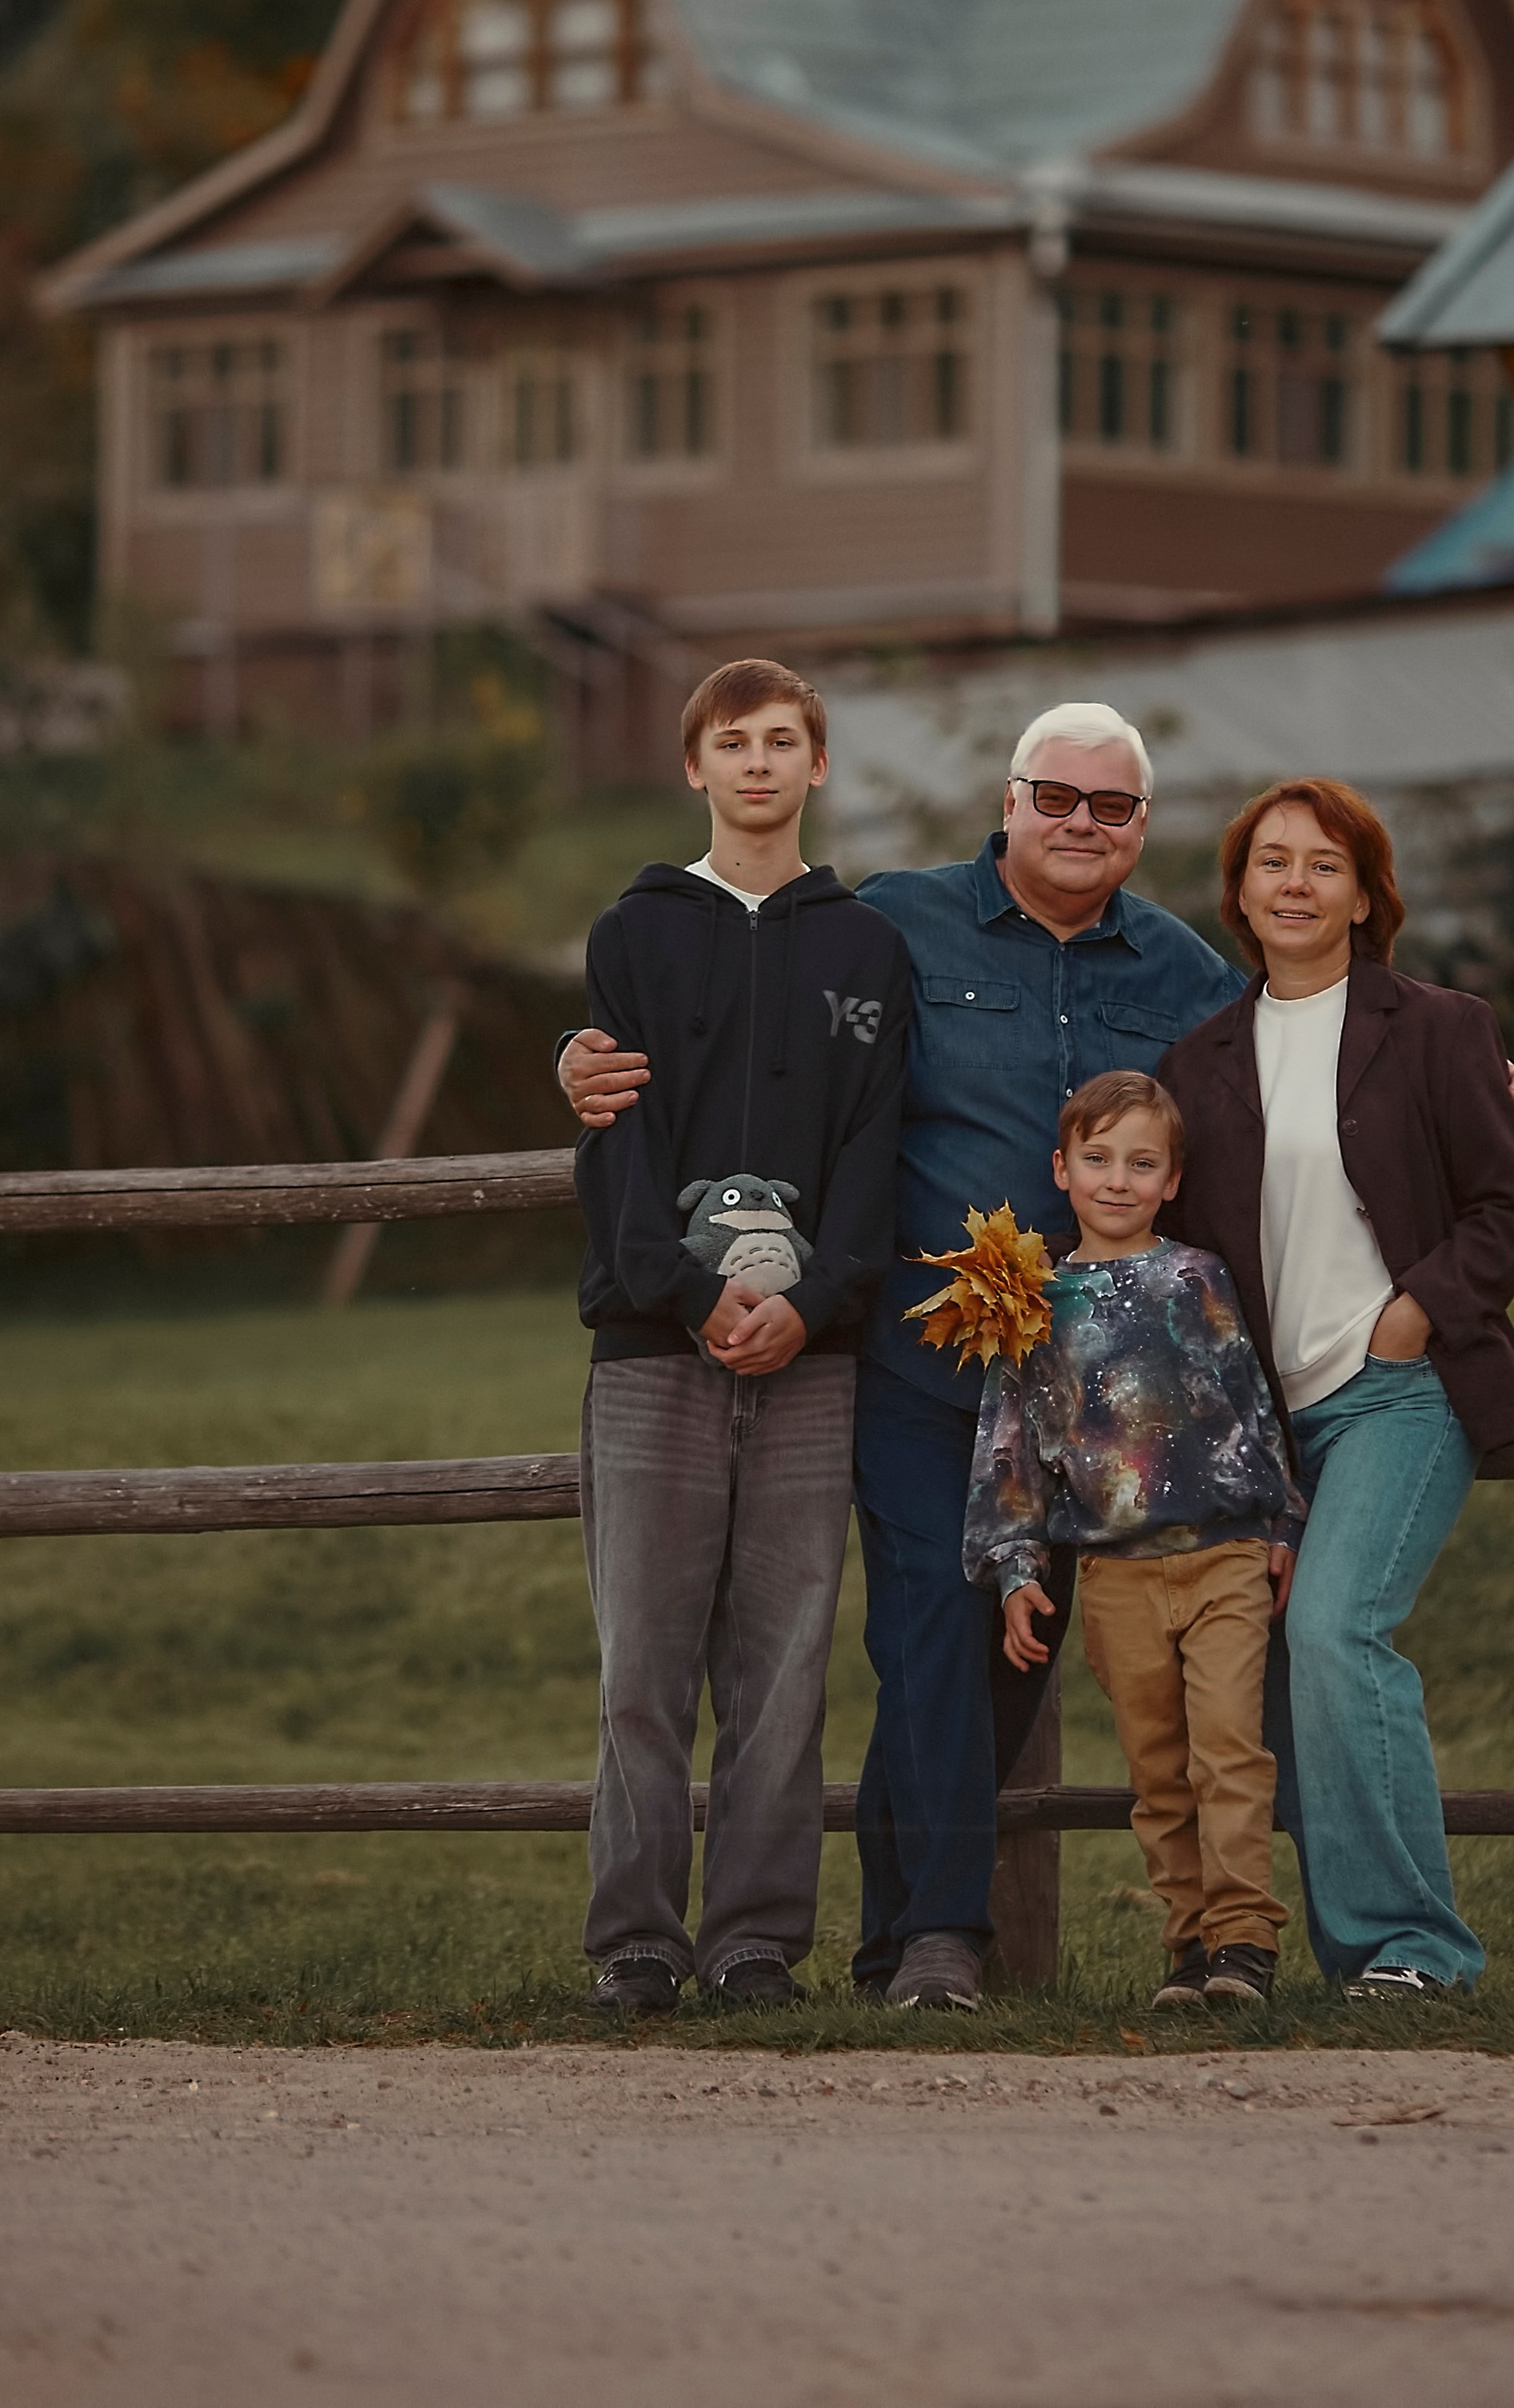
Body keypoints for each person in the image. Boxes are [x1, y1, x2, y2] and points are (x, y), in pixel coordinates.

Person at [557, 708, 1514, 2013]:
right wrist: (577, 1054)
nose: (1082, 822)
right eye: (1056, 796)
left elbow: (1315, 1035)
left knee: (1036, 1665)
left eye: (1112, 806)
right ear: (1009, 801)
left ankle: (1197, 1939)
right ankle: (933, 1941)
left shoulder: (1183, 970)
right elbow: (746, 1007)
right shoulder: (896, 922)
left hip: (1111, 1390)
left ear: (1141, 827)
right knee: (932, 1633)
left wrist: (1490, 1082)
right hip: (926, 1367)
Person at [1160, 778, 1514, 1998]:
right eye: (1272, 863)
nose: (1296, 883)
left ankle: (1418, 1949)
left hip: (1401, 1389)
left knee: (1335, 1631)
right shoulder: (1197, 1060)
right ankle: (1354, 1960)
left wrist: (1413, 1312)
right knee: (1280, 1671)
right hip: (1266, 1421)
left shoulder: (1439, 1028)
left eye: (1324, 865)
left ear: (1367, 896)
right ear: (1239, 895)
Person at [571, 658, 911, 2014]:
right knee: (642, 1667)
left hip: (812, 1356)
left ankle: (754, 1941)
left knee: (784, 1666)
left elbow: (873, 1146)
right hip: (654, 1347)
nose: (758, 763)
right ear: (695, 767)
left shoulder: (866, 948)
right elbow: (620, 1134)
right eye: (733, 742)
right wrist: (686, 1289)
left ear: (817, 765)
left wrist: (815, 1299)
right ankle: (639, 1942)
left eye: (782, 741)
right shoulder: (634, 934)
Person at [964, 1071, 1307, 2010]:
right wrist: (1016, 1567)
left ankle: (1245, 1944)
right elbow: (1010, 1447)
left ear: (1172, 1179)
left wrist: (1283, 1515)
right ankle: (1189, 1950)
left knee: (1228, 1751)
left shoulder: (1197, 1277)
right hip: (1114, 1572)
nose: (1118, 1180)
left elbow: (1251, 1400)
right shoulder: (1032, 1301)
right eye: (1099, 1158)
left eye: (1142, 1163)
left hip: (1224, 1557)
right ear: (1062, 1169)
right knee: (1158, 1773)